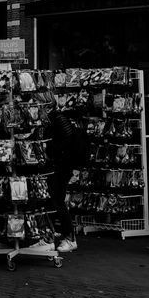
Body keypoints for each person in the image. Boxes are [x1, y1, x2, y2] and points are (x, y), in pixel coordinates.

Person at [46, 107, 86, 254]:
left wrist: (49, 148)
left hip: (61, 166)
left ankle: (70, 238)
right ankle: (49, 237)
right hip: (58, 165)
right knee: (53, 200)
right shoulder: (54, 117)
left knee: (57, 200)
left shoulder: (57, 117)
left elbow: (67, 139)